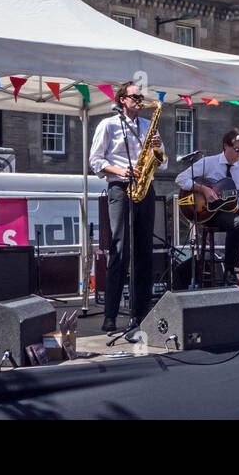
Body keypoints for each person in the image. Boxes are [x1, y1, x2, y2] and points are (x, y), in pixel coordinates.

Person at [89, 81, 166, 332]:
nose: (140, 100)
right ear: (122, 99)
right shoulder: (108, 124)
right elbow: (95, 161)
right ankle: (110, 315)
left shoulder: (146, 126)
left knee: (144, 251)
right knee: (121, 249)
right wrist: (120, 170)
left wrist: (156, 146)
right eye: (135, 96)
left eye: (142, 97)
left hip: (145, 187)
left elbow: (162, 163)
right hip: (120, 188)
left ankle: (141, 312)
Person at [175, 128, 239, 307]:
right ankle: (229, 271)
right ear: (225, 146)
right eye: (237, 149)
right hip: (210, 213)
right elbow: (181, 179)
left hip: (234, 211)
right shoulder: (208, 163)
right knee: (238, 222)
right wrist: (203, 189)